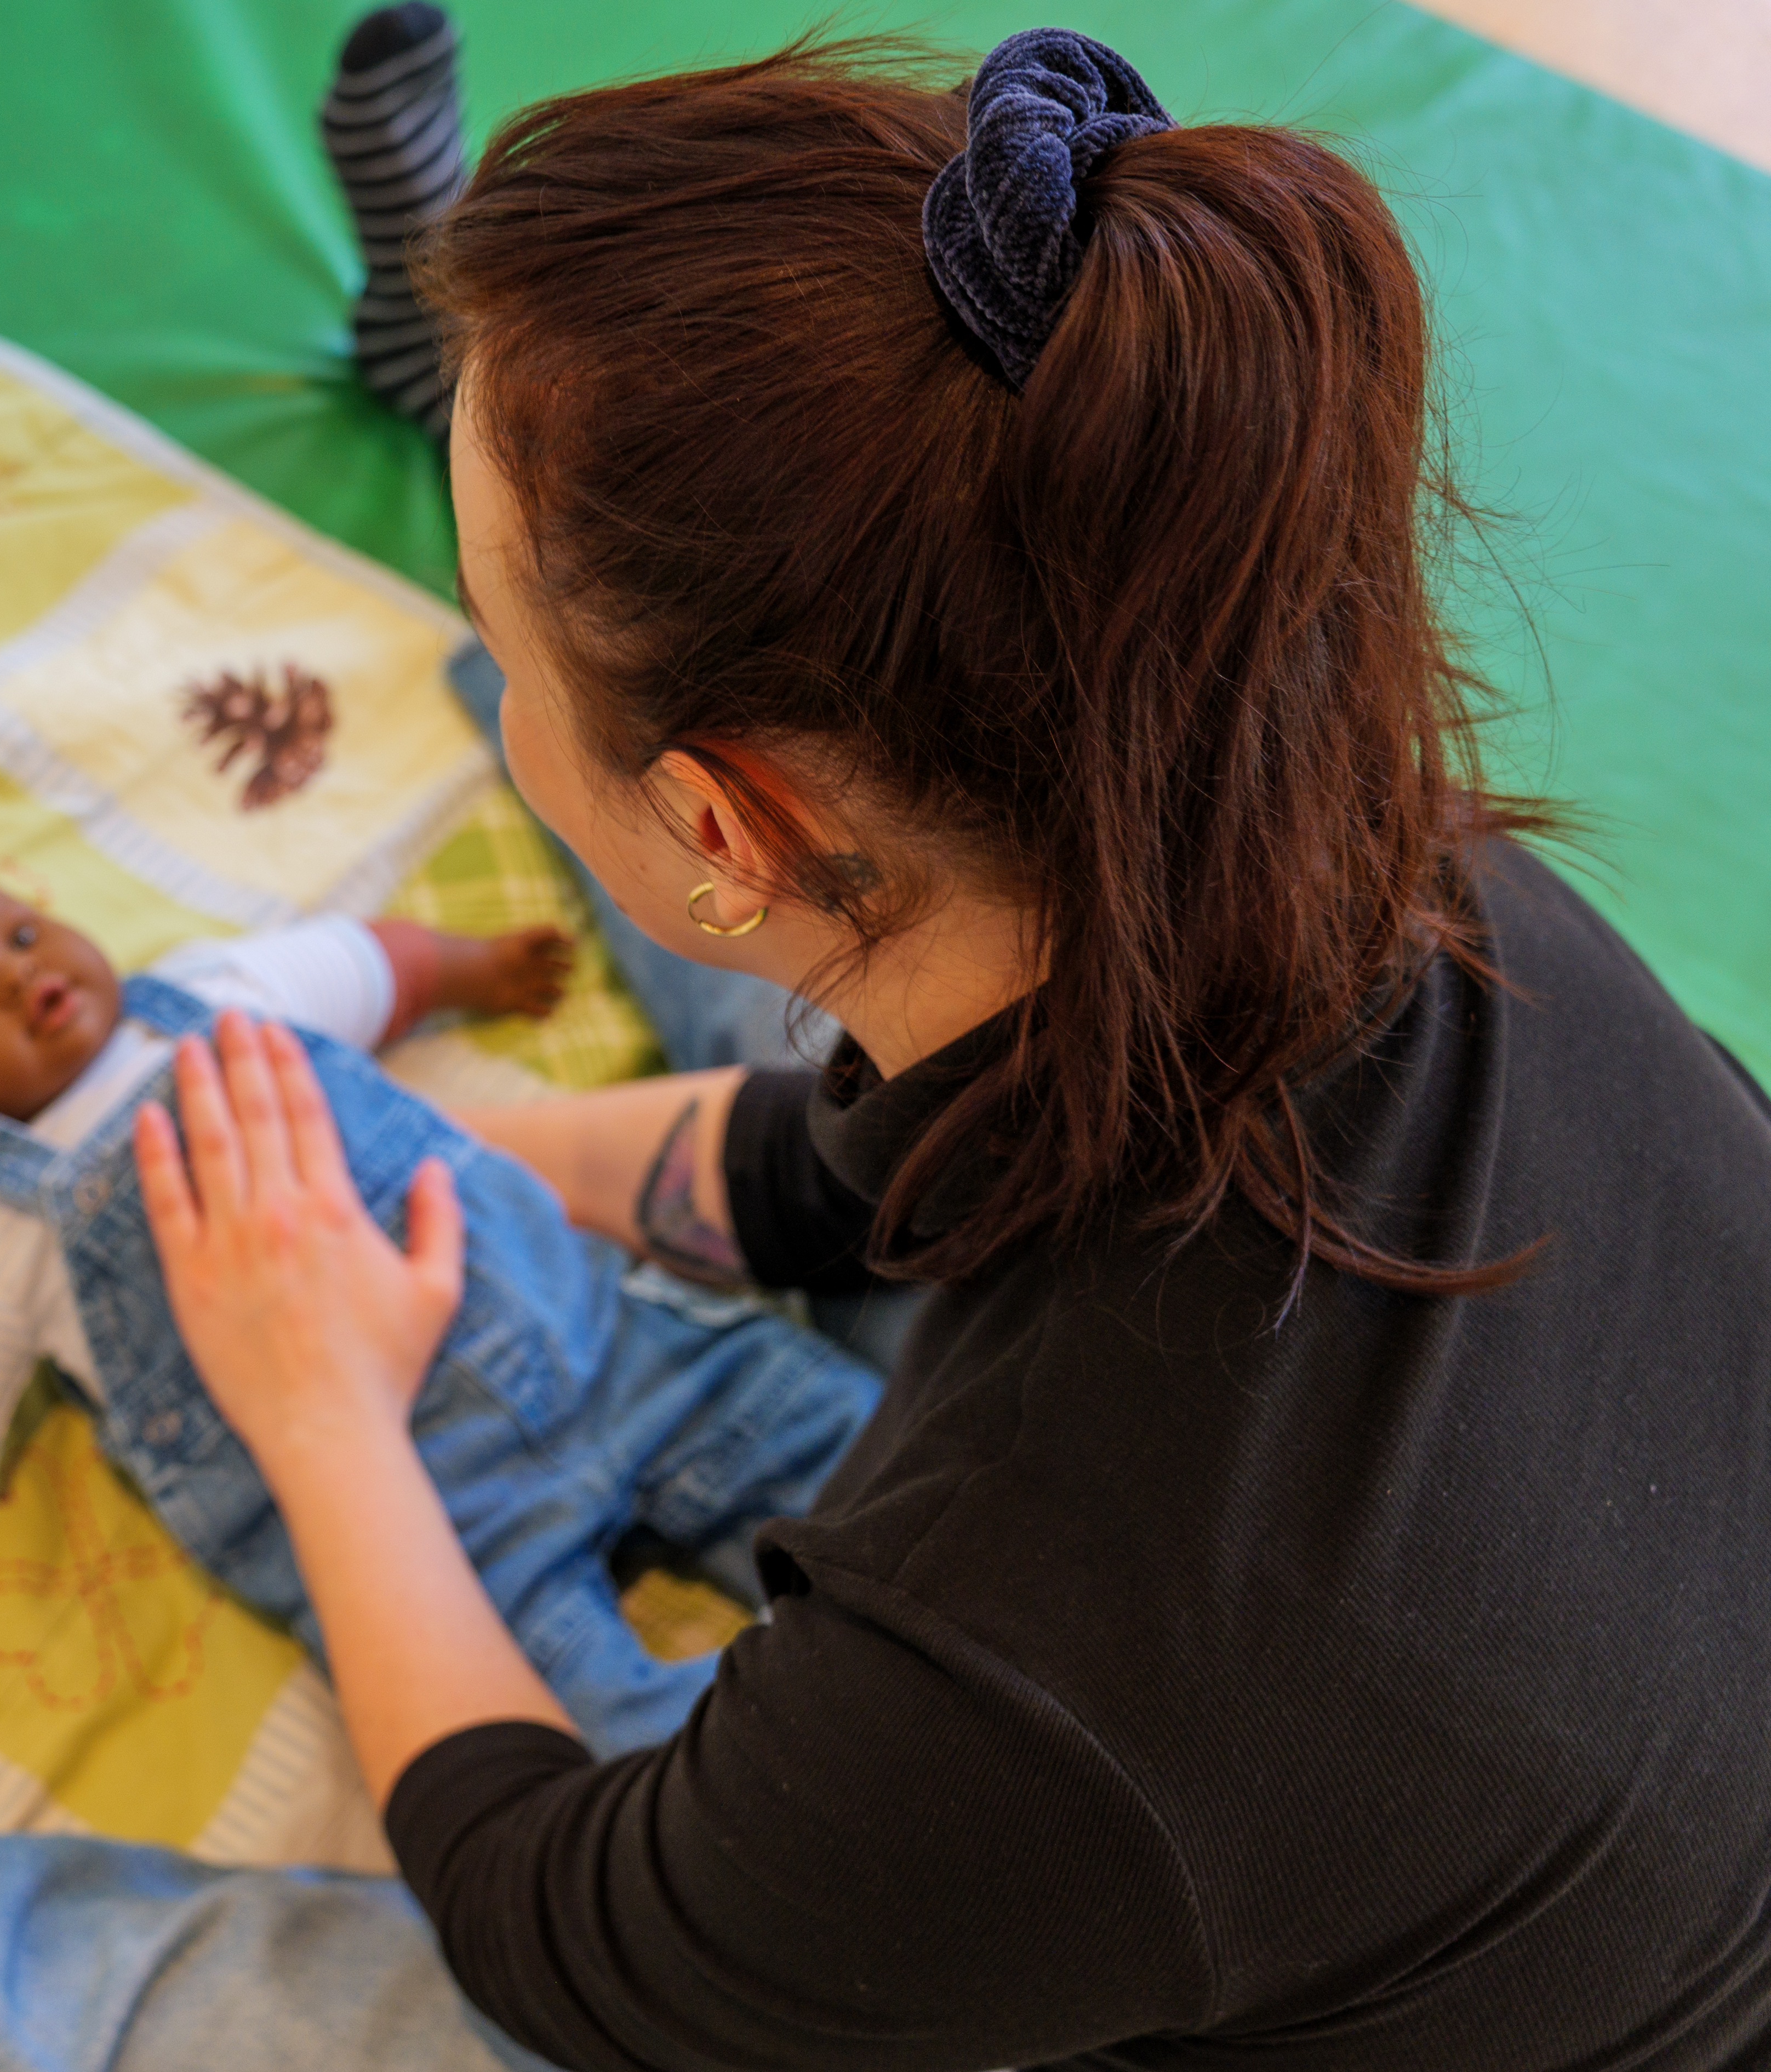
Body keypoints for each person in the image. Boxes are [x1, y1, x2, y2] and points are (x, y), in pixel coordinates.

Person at [132, 15, 1771, 2070]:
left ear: (723, 826)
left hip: (1356, 1844)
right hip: (1544, 1738)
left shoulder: (1041, 1672)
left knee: (138, 1977)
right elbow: (893, 1143)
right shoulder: (1348, 819)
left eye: (494, 627)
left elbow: (564, 1936)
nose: (501, 680)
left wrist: (324, 1420)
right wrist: (495, 1152)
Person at [0, 859, 876, 1773]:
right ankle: (812, 1783)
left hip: (610, 1346)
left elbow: (371, 965)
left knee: (875, 1473)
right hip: (434, 1536)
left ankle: (923, 1670)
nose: (19, 978)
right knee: (596, 1756)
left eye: (19, 935)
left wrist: (471, 969)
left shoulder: (218, 994)